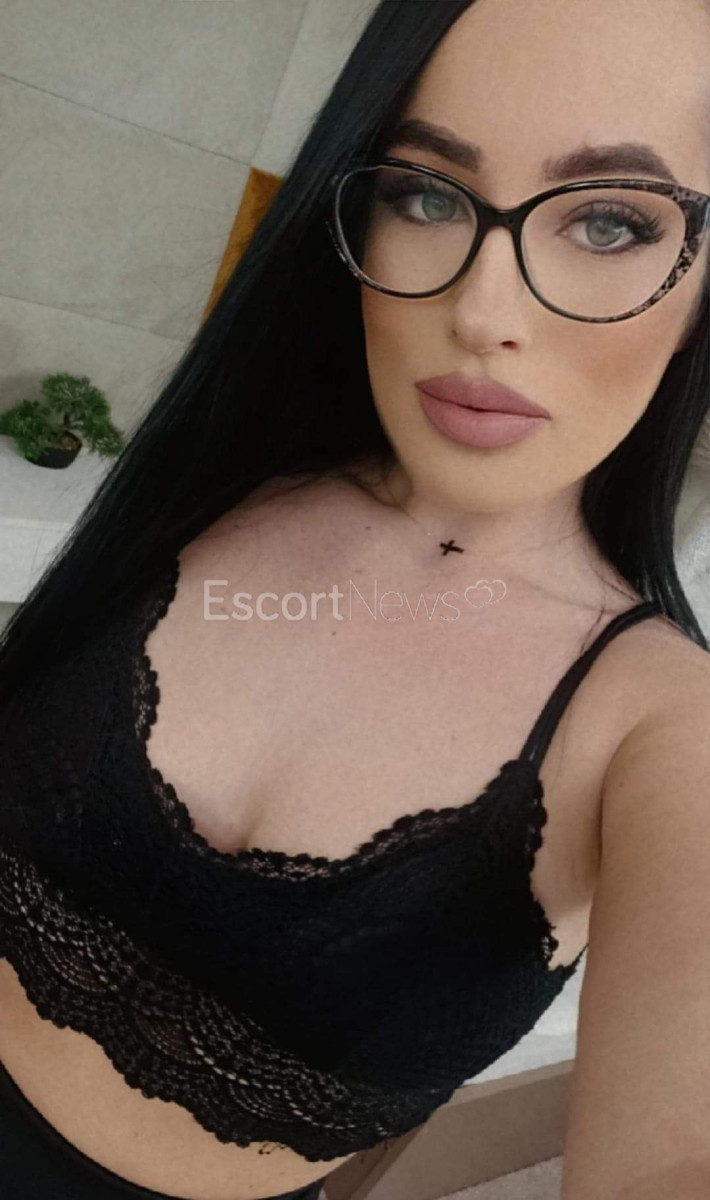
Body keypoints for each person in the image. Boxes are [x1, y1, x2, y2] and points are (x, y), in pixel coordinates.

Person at [1, 0, 709, 1197]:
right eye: (425, 196)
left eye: (607, 222)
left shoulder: (662, 728)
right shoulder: (221, 479)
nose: (481, 314)